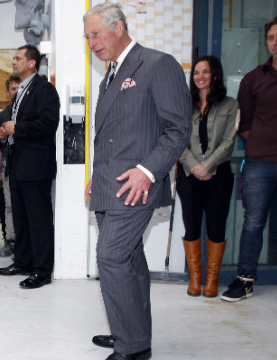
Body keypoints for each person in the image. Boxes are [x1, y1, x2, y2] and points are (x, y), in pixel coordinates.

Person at [83, 3, 191, 359]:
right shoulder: (109, 76)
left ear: (119, 27)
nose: (92, 43)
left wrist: (147, 171)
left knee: (111, 257)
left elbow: (178, 129)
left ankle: (131, 349)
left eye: (96, 34)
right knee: (129, 260)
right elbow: (109, 135)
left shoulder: (158, 64)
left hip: (136, 185)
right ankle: (132, 334)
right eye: (87, 37)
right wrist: (95, 178)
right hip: (108, 185)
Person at [221, 14, 277, 306]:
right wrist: (261, 142)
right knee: (253, 222)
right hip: (261, 161)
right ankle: (245, 280)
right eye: (271, 37)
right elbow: (244, 122)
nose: (275, 42)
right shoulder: (253, 79)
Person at [0, 44, 60, 290]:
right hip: (19, 164)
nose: (13, 61)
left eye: (18, 58)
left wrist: (17, 128)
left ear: (32, 63)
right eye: (13, 58)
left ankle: (42, 271)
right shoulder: (22, 90)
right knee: (21, 217)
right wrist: (7, 131)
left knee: (39, 219)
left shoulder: (44, 89)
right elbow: (22, 123)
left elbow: (48, 123)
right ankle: (22, 261)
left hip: (36, 166)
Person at [177, 56, 238, 298]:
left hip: (219, 175)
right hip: (188, 175)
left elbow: (229, 142)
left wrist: (207, 166)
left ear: (215, 75)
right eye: (196, 73)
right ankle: (195, 280)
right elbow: (178, 138)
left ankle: (211, 281)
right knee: (191, 227)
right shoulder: (185, 105)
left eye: (205, 72)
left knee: (216, 227)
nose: (200, 76)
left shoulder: (230, 105)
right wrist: (194, 166)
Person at [0, 75, 21, 257]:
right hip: (8, 167)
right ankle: (10, 240)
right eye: (13, 88)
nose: (16, 91)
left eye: (20, 88)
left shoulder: (32, 112)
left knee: (27, 206)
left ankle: (25, 241)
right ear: (7, 92)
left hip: (29, 168)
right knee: (10, 206)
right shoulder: (1, 116)